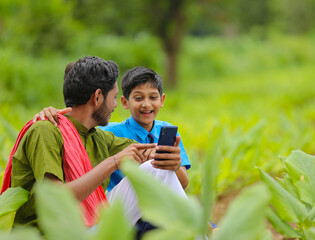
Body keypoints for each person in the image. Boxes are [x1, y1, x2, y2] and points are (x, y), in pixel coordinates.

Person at [1, 56, 184, 235]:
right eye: (114, 97)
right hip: (54, 232)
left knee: (153, 168)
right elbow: (57, 200)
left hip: (90, 224)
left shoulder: (98, 138)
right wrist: (113, 162)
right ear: (97, 97)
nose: (114, 106)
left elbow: (148, 155)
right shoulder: (45, 131)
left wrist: (170, 158)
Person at [35, 67, 191, 193]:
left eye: (153, 97)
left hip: (157, 203)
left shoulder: (168, 132)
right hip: (121, 205)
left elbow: (182, 184)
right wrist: (57, 114)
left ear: (162, 100)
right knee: (150, 168)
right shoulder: (109, 132)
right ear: (125, 102)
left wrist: (175, 165)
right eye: (138, 98)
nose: (146, 104)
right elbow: (81, 123)